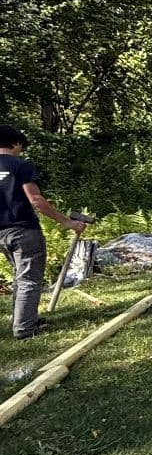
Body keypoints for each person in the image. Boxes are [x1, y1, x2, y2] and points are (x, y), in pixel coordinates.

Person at [0, 121, 89, 342]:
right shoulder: (20, 165)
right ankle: (24, 328)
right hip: (22, 230)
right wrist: (67, 222)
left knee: (20, 277)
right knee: (29, 278)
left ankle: (23, 319)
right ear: (15, 143)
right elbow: (37, 201)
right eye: (21, 146)